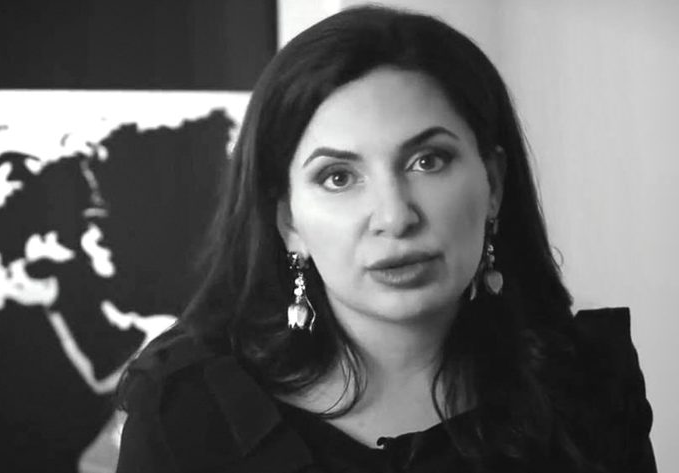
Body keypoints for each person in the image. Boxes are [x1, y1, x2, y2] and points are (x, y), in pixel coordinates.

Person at [115, 6, 656, 473]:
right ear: (288, 220)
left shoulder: (589, 387)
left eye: (428, 161)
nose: (395, 217)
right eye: (338, 177)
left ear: (493, 184)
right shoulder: (187, 411)